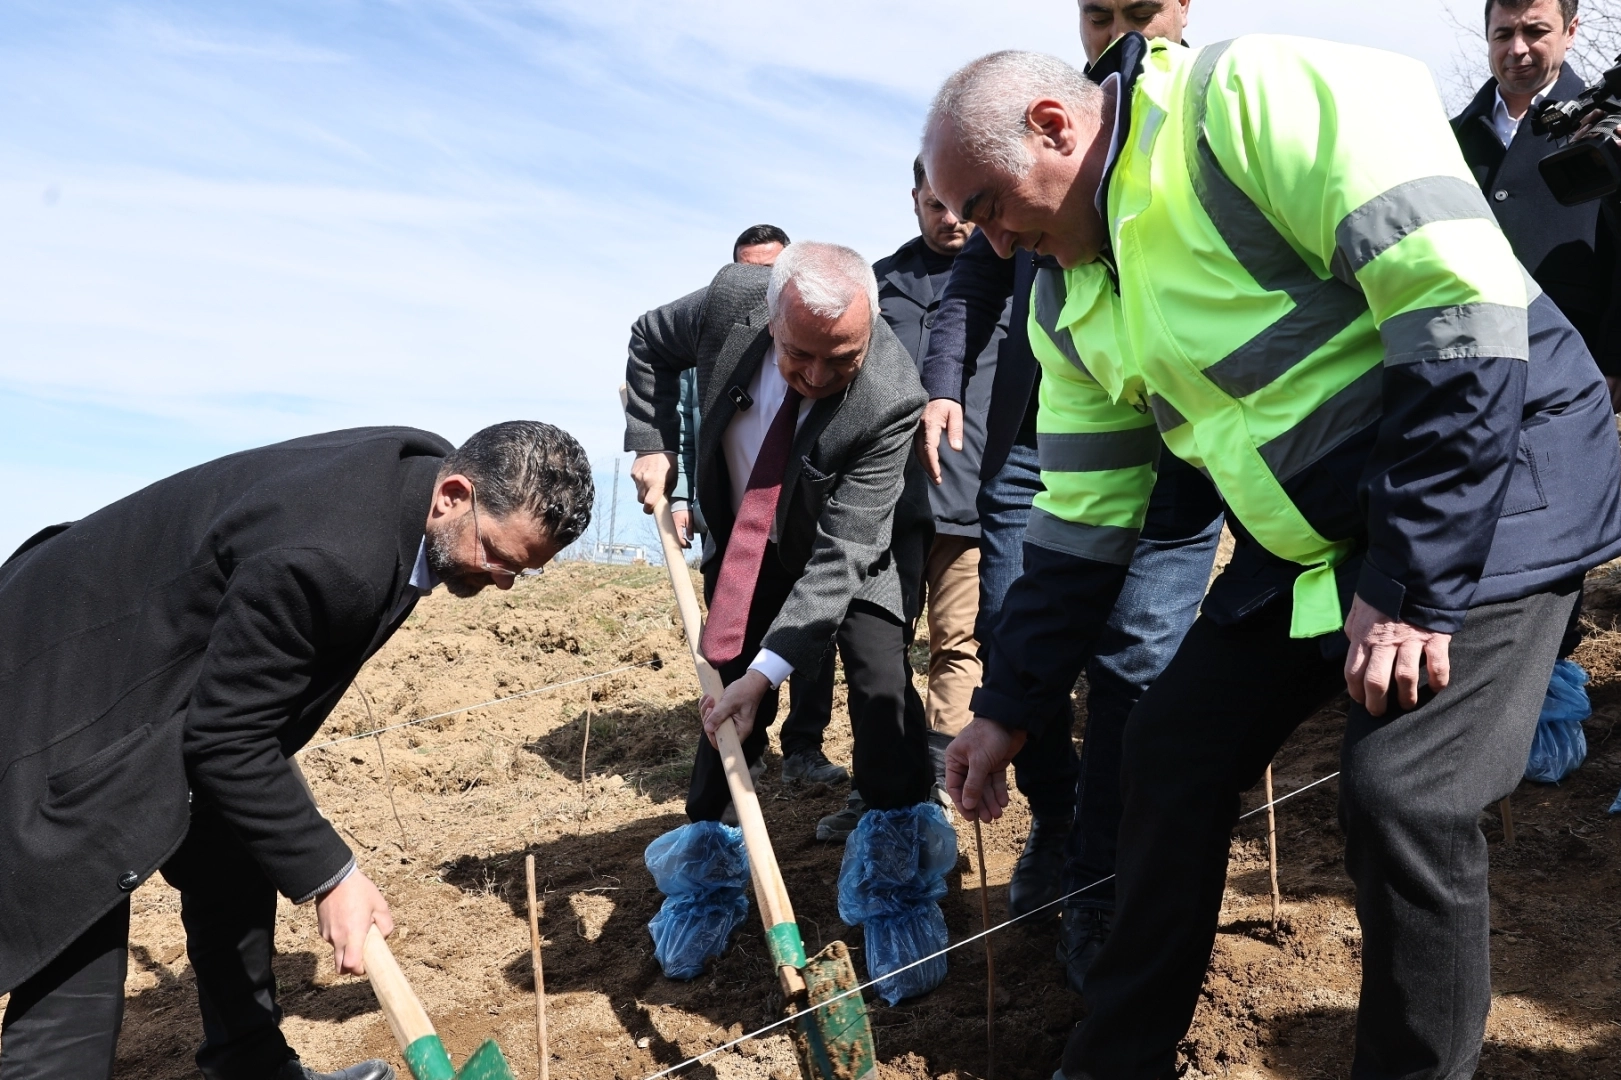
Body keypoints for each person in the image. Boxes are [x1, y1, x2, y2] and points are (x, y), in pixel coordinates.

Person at [924, 33, 1621, 1080]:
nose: (986, 243)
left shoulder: (1242, 103)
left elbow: (1458, 312)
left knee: (1404, 798)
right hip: (1318, 543)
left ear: (1055, 127)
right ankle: (1112, 1061)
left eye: (984, 207)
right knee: (1167, 750)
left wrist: (1410, 590)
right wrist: (1006, 705)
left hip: (1493, 477)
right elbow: (1078, 526)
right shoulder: (1065, 303)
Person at [0, 423, 594, 1080]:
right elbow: (228, 739)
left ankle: (252, 1067)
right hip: (50, 688)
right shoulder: (331, 554)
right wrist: (332, 878)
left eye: (524, 570)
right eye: (500, 557)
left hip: (156, 676)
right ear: (453, 494)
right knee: (74, 962)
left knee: (234, 858)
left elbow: (242, 722)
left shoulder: (416, 487)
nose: (505, 581)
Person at [915, 0, 1218, 986]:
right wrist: (942, 389)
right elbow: (968, 285)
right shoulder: (1023, 174)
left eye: (1138, 9)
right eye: (1100, 9)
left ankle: (1101, 882)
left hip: (1177, 447)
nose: (1119, 24)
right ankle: (1054, 821)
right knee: (1013, 628)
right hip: (1047, 438)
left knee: (1136, 660)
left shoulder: (1202, 135)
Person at [624, 242, 948, 989]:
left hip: (847, 541)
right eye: (801, 358)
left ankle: (895, 887)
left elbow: (843, 556)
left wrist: (776, 671)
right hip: (748, 534)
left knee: (879, 688)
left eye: (843, 359)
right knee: (726, 691)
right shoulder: (727, 299)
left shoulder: (889, 395)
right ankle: (705, 877)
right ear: (769, 319)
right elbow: (647, 341)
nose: (819, 378)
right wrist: (649, 442)